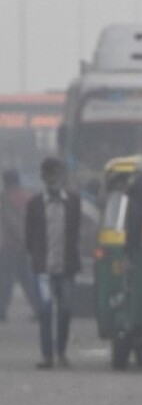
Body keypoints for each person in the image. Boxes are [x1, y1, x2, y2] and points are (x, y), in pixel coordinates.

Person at [24, 157, 82, 369]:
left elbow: (75, 232)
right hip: (43, 269)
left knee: (65, 309)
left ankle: (61, 352)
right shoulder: (35, 204)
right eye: (49, 175)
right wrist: (35, 258)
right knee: (46, 310)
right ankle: (48, 355)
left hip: (66, 268)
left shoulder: (74, 202)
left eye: (56, 174)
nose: (53, 179)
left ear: (62, 176)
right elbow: (29, 236)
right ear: (43, 178)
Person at [0, 169, 40, 321]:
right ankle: (39, 310)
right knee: (26, 279)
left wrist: (18, 237)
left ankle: (1, 312)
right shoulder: (27, 196)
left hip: (11, 245)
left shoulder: (5, 198)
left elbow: (11, 222)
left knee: (5, 280)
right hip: (26, 245)